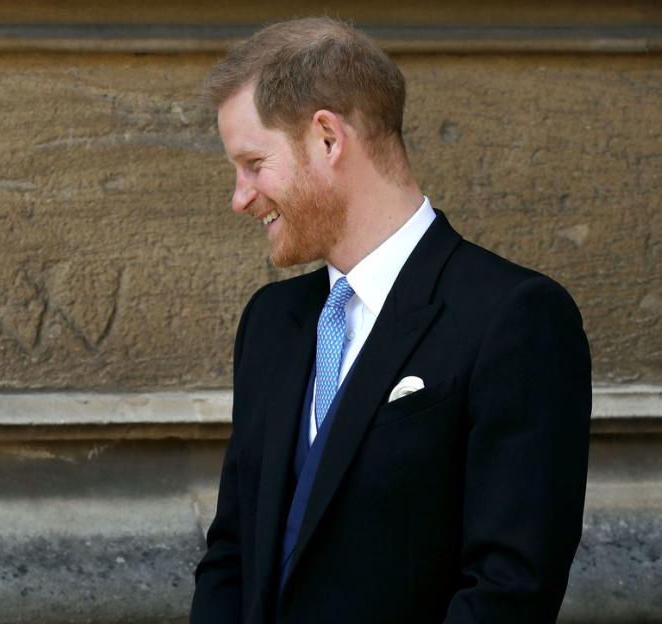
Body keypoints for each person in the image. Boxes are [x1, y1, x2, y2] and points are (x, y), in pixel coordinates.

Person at [190, 18, 591, 624]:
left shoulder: (515, 317)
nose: (240, 197)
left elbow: (510, 589)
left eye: (253, 163)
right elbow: (233, 552)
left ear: (327, 138)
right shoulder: (272, 322)